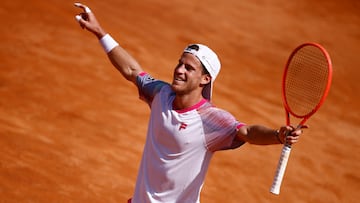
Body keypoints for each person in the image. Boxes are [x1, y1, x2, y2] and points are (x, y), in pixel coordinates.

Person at [74, 3, 305, 203]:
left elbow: (247, 131)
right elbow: (131, 70)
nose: (179, 70)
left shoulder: (211, 120)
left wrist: (277, 135)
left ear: (205, 79)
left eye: (189, 68)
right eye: (180, 63)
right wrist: (100, 32)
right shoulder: (160, 94)